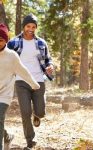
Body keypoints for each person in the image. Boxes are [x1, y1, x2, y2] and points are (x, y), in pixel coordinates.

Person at [7, 14, 54, 149]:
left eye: (33, 27)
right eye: (28, 26)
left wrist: (50, 66)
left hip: (39, 80)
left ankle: (37, 115)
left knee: (41, 111)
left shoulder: (41, 43)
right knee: (25, 112)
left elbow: (48, 59)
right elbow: (6, 57)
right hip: (21, 81)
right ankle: (30, 140)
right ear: (24, 27)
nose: (31, 29)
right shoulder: (13, 42)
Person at [0, 23, 40, 150]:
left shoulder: (11, 56)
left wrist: (34, 84)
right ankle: (6, 137)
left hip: (4, 95)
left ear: (5, 40)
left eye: (0, 40)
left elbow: (23, 71)